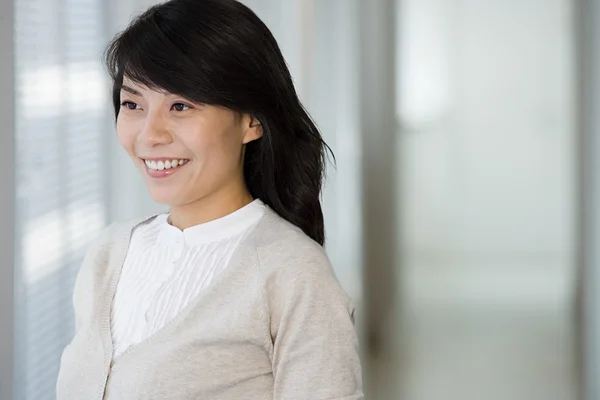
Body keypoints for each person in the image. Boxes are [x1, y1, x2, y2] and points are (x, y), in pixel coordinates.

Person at [56, 0, 363, 399]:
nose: (150, 134)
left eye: (180, 106)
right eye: (133, 104)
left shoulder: (294, 273)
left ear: (252, 121)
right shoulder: (109, 253)